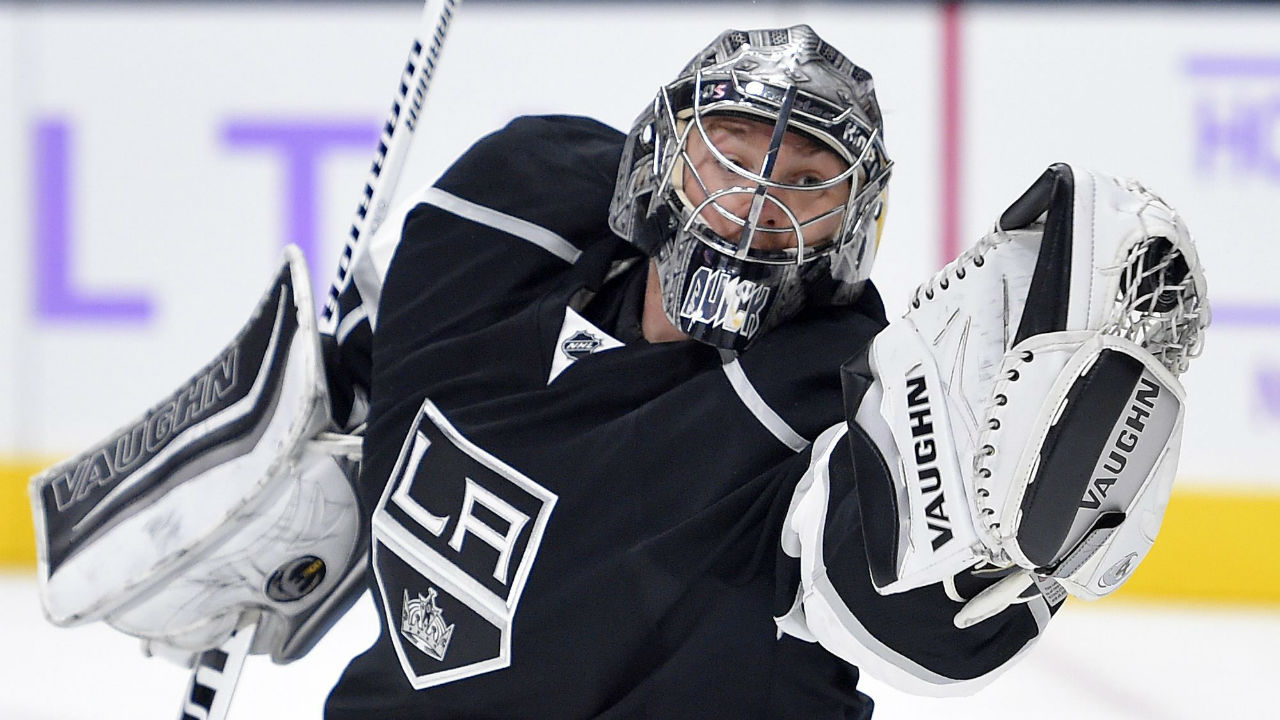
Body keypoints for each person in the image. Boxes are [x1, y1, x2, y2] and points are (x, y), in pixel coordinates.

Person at [30, 22, 1206, 720]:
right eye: (730, 155)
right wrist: (293, 476)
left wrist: (1020, 525)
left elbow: (906, 609)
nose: (754, 207)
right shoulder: (503, 215)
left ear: (854, 223)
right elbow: (376, 385)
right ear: (656, 157)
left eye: (804, 181)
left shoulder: (831, 405)